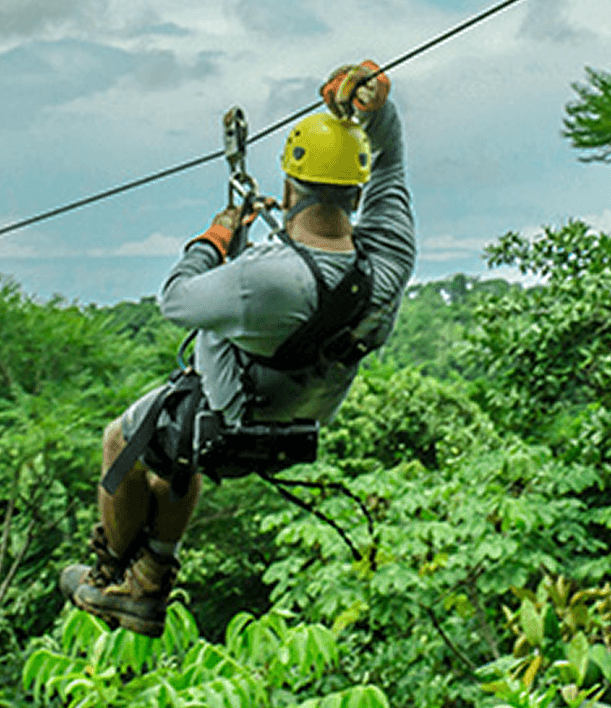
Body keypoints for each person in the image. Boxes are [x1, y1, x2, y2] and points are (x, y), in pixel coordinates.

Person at [60, 60, 416, 636]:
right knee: (173, 461)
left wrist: (216, 238)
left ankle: (111, 580)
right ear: (358, 190)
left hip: (237, 409)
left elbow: (175, 300)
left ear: (288, 187)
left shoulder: (265, 280)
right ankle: (150, 577)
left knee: (121, 439)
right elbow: (392, 162)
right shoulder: (388, 260)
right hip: (308, 411)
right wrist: (375, 110)